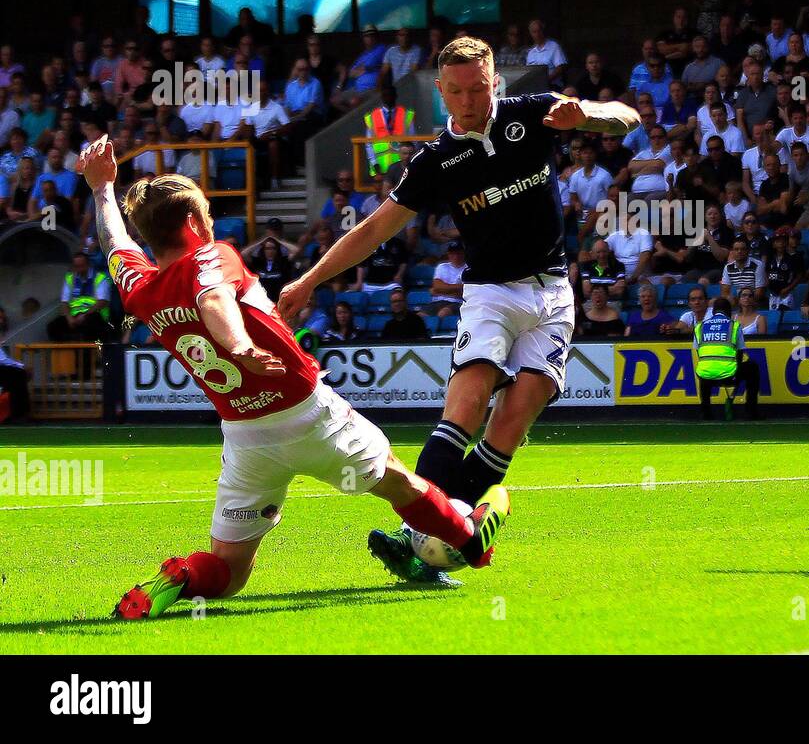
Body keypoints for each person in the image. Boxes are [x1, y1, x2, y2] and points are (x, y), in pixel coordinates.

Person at [74, 141, 508, 619]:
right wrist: (239, 346)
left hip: (246, 439)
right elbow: (213, 299)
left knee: (228, 571)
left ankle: (182, 576)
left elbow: (115, 242)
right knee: (399, 483)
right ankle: (472, 544)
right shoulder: (211, 257)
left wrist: (102, 189)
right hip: (309, 417)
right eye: (208, 216)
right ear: (195, 225)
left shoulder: (140, 289)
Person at [276, 36, 637, 583]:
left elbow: (626, 117)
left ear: (496, 82)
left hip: (554, 293)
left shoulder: (535, 115)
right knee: (465, 407)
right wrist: (309, 280)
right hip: (490, 293)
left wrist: (588, 115)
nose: (471, 100)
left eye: (480, 88)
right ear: (441, 93)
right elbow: (374, 230)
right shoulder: (436, 161)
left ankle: (424, 542)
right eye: (458, 92)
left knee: (513, 421)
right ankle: (424, 534)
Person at [693, 297, 760, 421]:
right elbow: (740, 353)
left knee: (705, 368)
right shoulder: (734, 326)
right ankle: (751, 411)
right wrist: (735, 373)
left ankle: (705, 413)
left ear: (713, 312)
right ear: (729, 312)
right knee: (752, 367)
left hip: (705, 375)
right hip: (729, 374)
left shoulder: (699, 327)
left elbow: (699, 353)